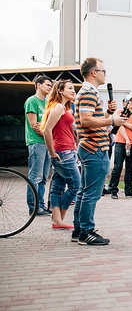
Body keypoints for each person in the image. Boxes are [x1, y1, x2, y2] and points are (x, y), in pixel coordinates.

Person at [74, 57, 125, 245]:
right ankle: (86, 232)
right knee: (91, 193)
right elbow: (86, 120)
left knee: (84, 191)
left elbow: (92, 119)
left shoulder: (87, 92)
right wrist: (112, 121)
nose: (105, 74)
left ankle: (79, 230)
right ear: (93, 73)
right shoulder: (88, 92)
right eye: (103, 71)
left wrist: (108, 113)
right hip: (94, 147)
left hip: (90, 146)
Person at [41, 79, 78, 228]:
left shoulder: (63, 108)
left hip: (67, 151)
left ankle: (57, 221)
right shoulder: (57, 107)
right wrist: (51, 153)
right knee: (76, 185)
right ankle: (59, 218)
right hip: (62, 152)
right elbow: (46, 130)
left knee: (58, 186)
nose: (73, 91)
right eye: (70, 88)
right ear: (60, 91)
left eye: (73, 88)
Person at [24, 74, 53, 216]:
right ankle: (33, 207)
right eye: (48, 85)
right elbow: (34, 125)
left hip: (46, 142)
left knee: (43, 177)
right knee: (35, 176)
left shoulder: (47, 102)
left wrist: (48, 135)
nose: (50, 88)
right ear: (38, 85)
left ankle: (41, 206)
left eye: (51, 86)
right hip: (36, 143)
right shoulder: (32, 101)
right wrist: (48, 135)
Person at [107, 95, 132, 199]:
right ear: (124, 103)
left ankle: (128, 189)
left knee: (129, 167)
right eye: (130, 101)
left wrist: (125, 123)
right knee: (117, 166)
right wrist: (126, 139)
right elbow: (120, 126)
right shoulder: (120, 112)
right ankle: (113, 189)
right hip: (120, 142)